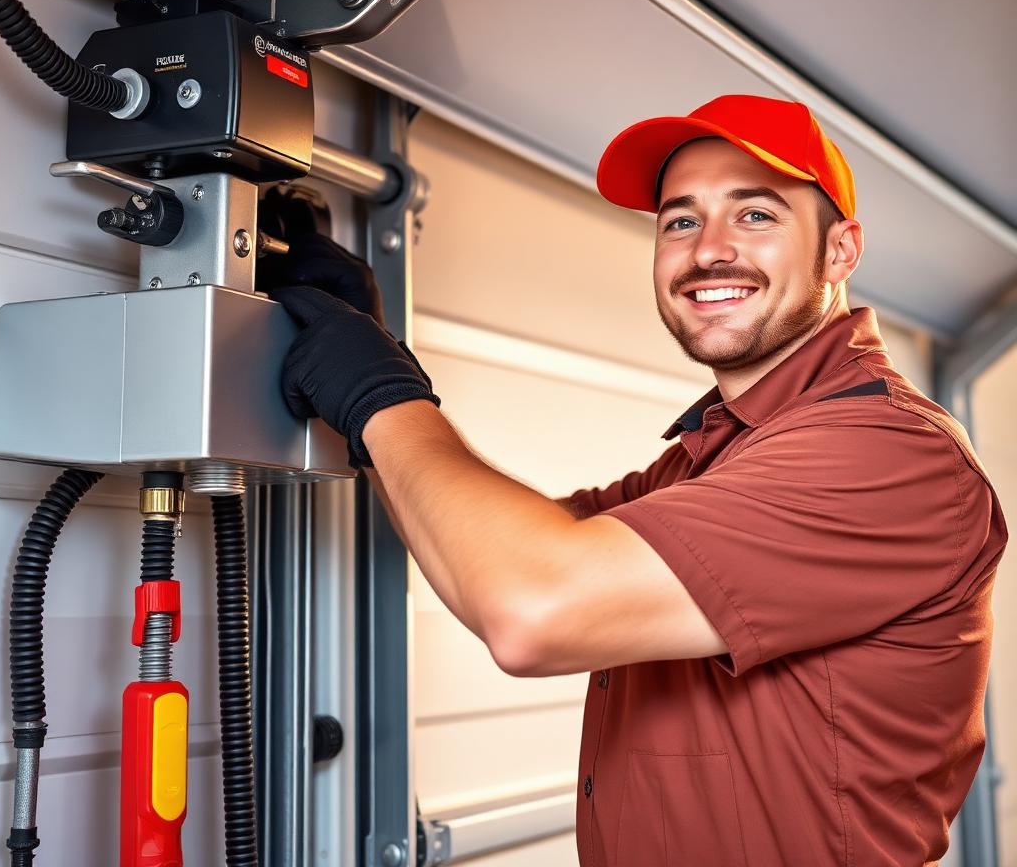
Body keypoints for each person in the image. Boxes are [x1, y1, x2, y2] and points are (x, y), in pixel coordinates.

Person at [271, 94, 1007, 866]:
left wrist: (382, 396)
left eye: (755, 215)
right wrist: (373, 386)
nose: (709, 251)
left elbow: (529, 606)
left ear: (840, 251)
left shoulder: (884, 453)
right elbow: (490, 552)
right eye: (681, 220)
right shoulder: (715, 452)